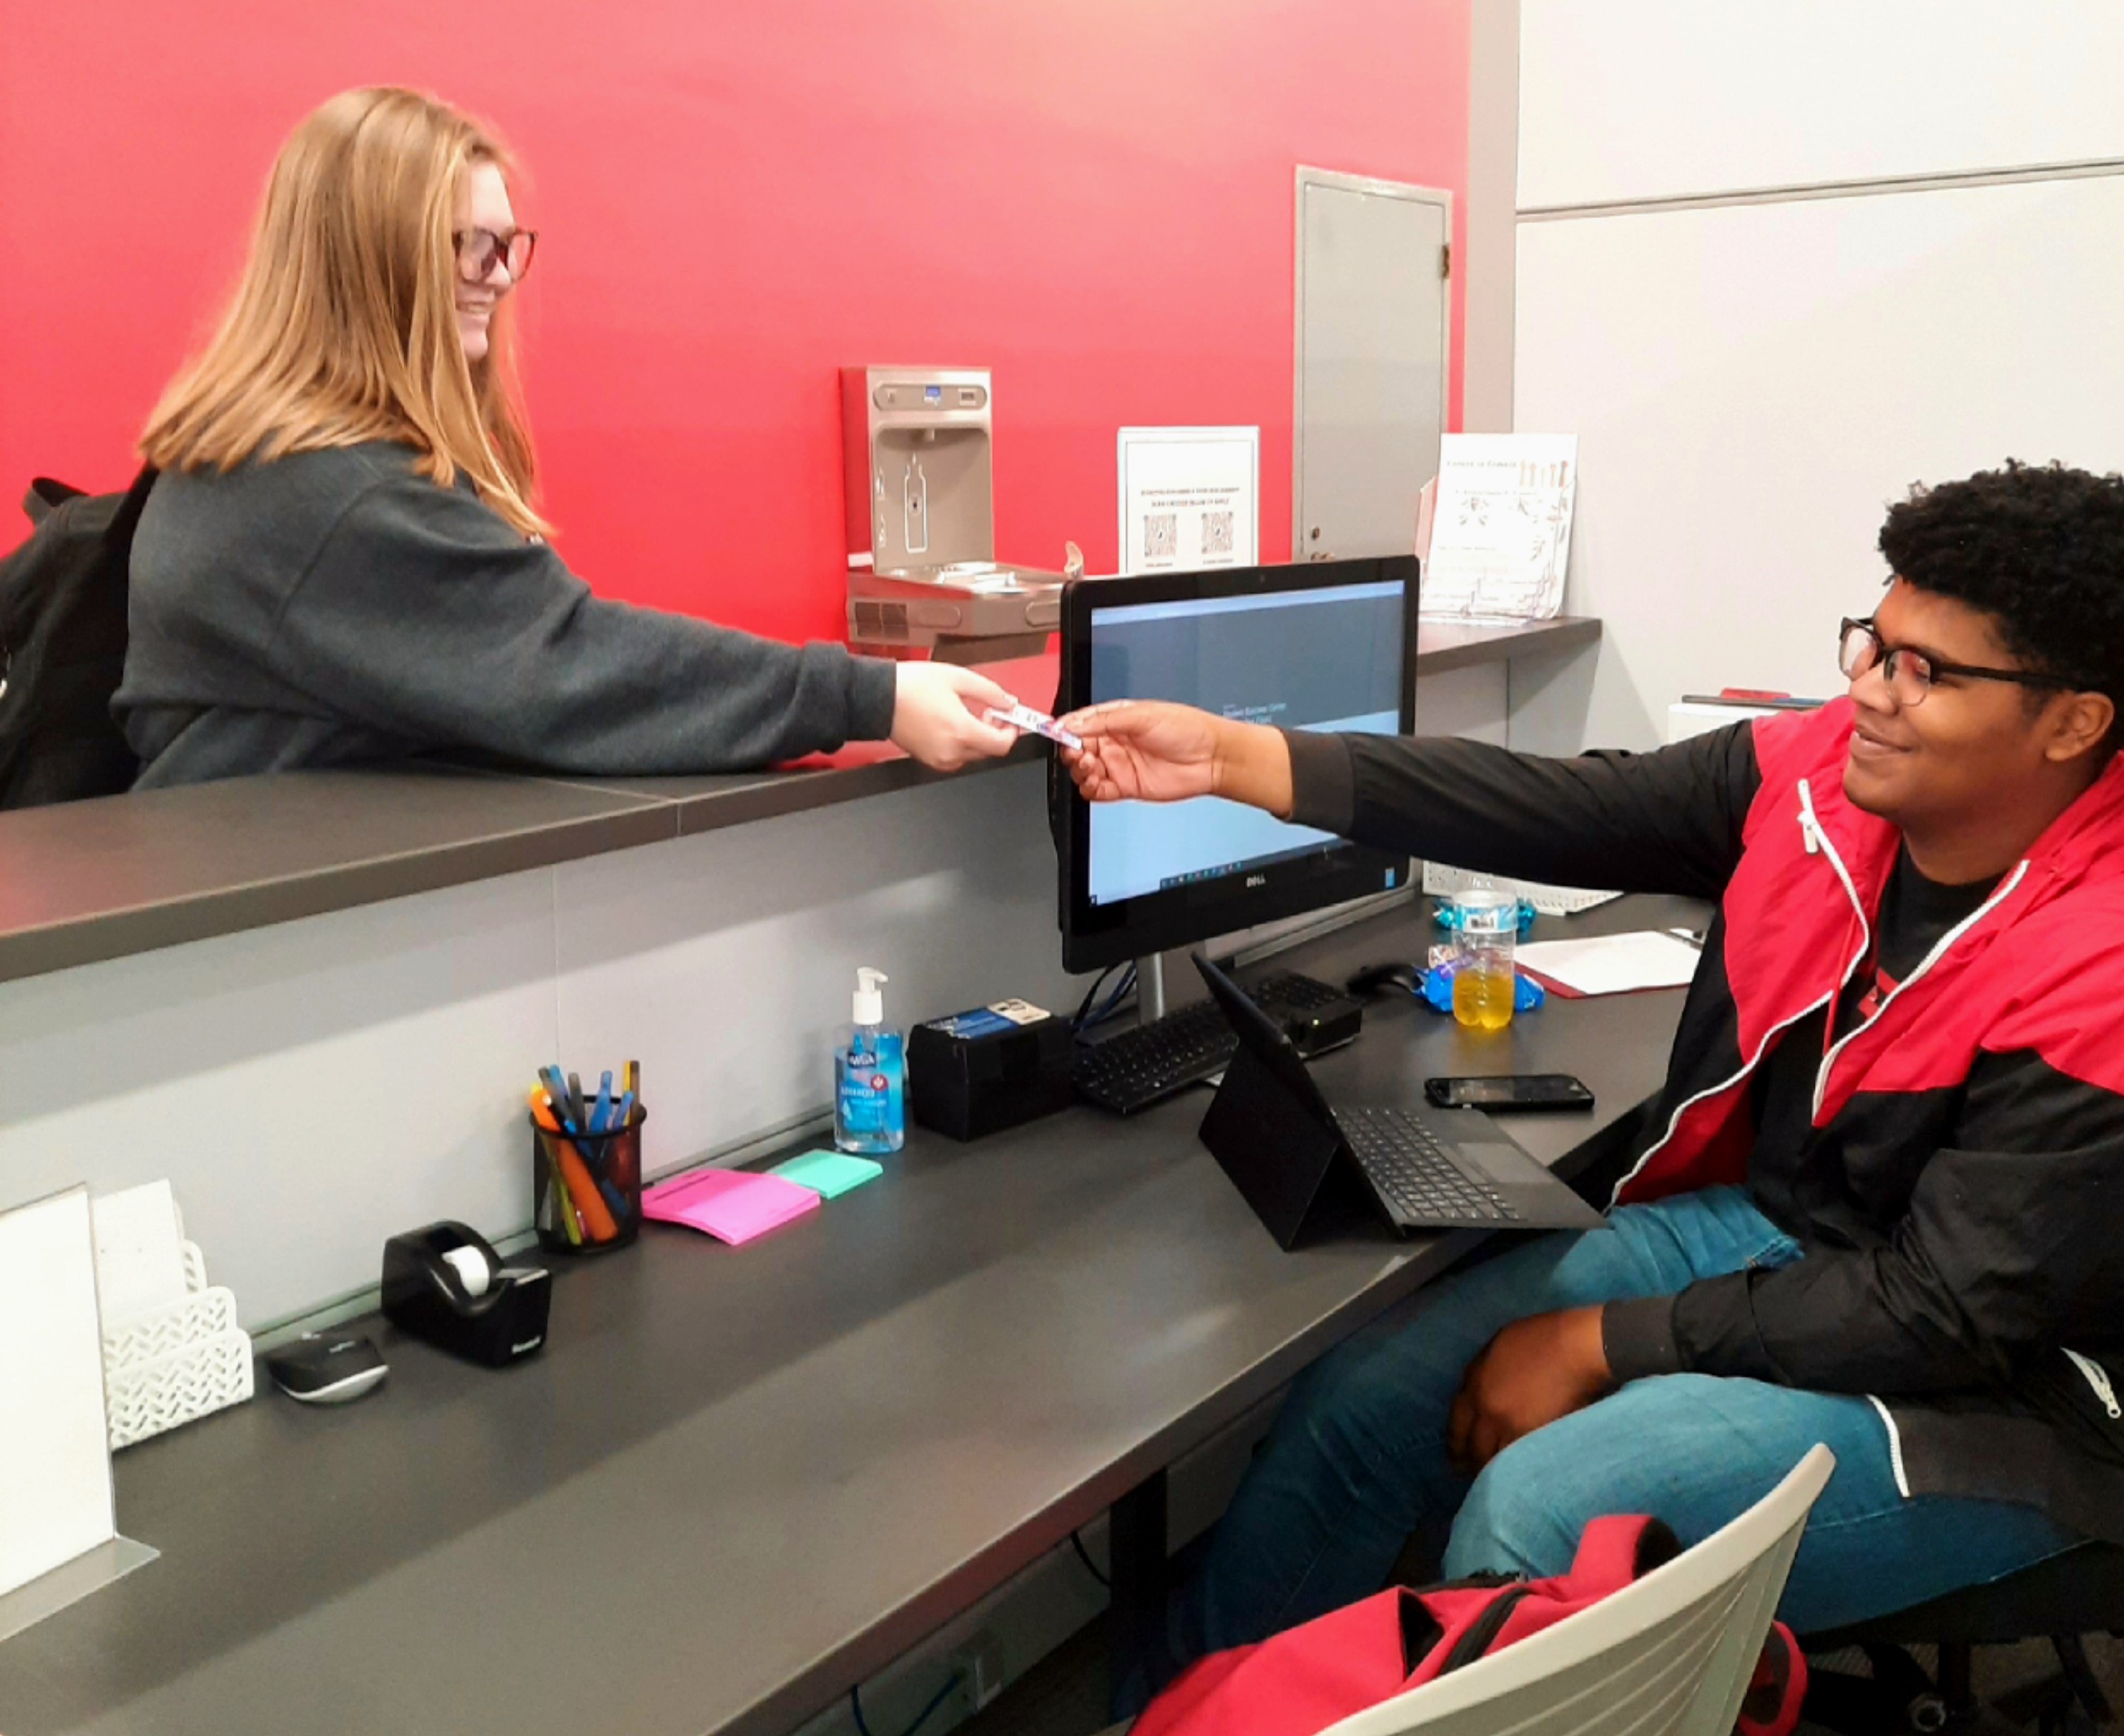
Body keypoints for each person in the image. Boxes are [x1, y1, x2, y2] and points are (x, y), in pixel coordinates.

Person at [1062, 460, 2124, 1665]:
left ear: (2074, 721)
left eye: (1925, 672)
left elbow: (1941, 1307)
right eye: (1873, 643)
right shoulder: (1828, 772)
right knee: (1362, 1407)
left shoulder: (2105, 959)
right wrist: (1228, 757)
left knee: (1546, 1515)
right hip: (1787, 1234)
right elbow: (1566, 804)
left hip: (2017, 1388)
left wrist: (1604, 1338)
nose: (1871, 691)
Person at [114, 87, 1016, 789]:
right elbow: (568, 663)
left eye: (508, 246)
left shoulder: (253, 462)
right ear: (371, 257)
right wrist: (874, 696)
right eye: (468, 245)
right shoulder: (335, 500)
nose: (497, 278)